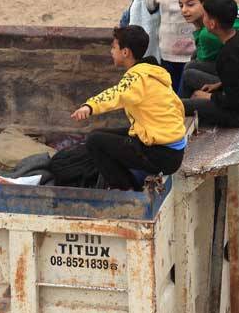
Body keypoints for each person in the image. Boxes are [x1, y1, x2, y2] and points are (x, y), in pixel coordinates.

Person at [70, 26, 186, 191]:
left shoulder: (136, 77)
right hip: (171, 150)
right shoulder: (153, 72)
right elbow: (177, 105)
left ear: (125, 52)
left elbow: (117, 94)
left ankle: (127, 190)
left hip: (162, 155)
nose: (111, 51)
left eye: (114, 47)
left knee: (94, 141)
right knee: (100, 135)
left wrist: (90, 107)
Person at [182, 0, 239, 128]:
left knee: (180, 105)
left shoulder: (227, 55)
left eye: (205, 16)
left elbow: (234, 101)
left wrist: (207, 96)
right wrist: (219, 85)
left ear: (212, 24)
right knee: (189, 75)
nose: (203, 19)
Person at [144, 0, 213, 92]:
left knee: (189, 94)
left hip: (194, 52)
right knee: (170, 94)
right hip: (168, 51)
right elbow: (149, 6)